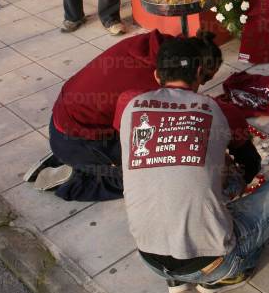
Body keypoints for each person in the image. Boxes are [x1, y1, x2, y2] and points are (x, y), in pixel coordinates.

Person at [114, 37, 269, 293]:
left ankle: (177, 276)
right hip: (212, 263)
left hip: (150, 258)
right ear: (200, 72)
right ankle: (226, 275)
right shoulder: (213, 108)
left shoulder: (131, 107)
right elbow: (250, 163)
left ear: (156, 75)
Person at [25, 30, 223, 202]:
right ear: (196, 71)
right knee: (150, 173)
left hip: (67, 122)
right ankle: (75, 180)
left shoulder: (157, 47)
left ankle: (75, 159)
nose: (201, 85)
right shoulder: (148, 89)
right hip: (77, 137)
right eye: (204, 78)